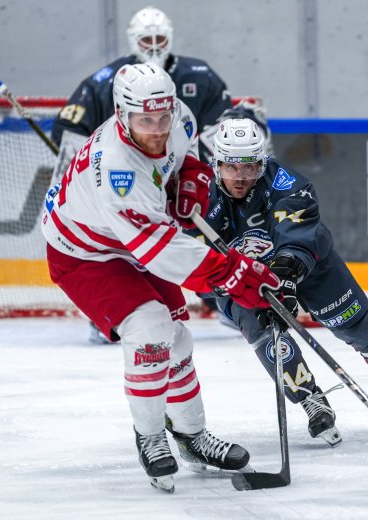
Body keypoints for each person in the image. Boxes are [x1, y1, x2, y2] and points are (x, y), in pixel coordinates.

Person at [41, 62, 281, 493]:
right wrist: (231, 272)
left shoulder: (177, 116)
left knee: (179, 339)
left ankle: (192, 437)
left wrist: (190, 181)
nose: (156, 130)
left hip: (131, 238)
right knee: (151, 330)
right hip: (85, 252)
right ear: (121, 114)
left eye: (162, 118)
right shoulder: (118, 170)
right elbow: (160, 250)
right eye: (144, 121)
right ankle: (150, 437)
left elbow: (185, 155)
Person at [193, 118, 368, 446]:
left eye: (249, 167)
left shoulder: (288, 184)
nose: (241, 176)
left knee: (358, 326)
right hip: (243, 279)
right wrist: (233, 286)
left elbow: (297, 237)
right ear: (217, 163)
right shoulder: (198, 196)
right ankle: (311, 401)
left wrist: (286, 279)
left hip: (308, 267)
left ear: (262, 162)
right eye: (232, 167)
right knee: (267, 337)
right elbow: (192, 261)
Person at [51, 5, 232, 173]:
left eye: (159, 39)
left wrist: (198, 173)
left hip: (184, 178)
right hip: (126, 176)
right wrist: (100, 169)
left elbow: (220, 135)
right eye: (146, 40)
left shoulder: (202, 77)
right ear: (133, 40)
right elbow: (68, 129)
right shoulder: (104, 82)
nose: (154, 47)